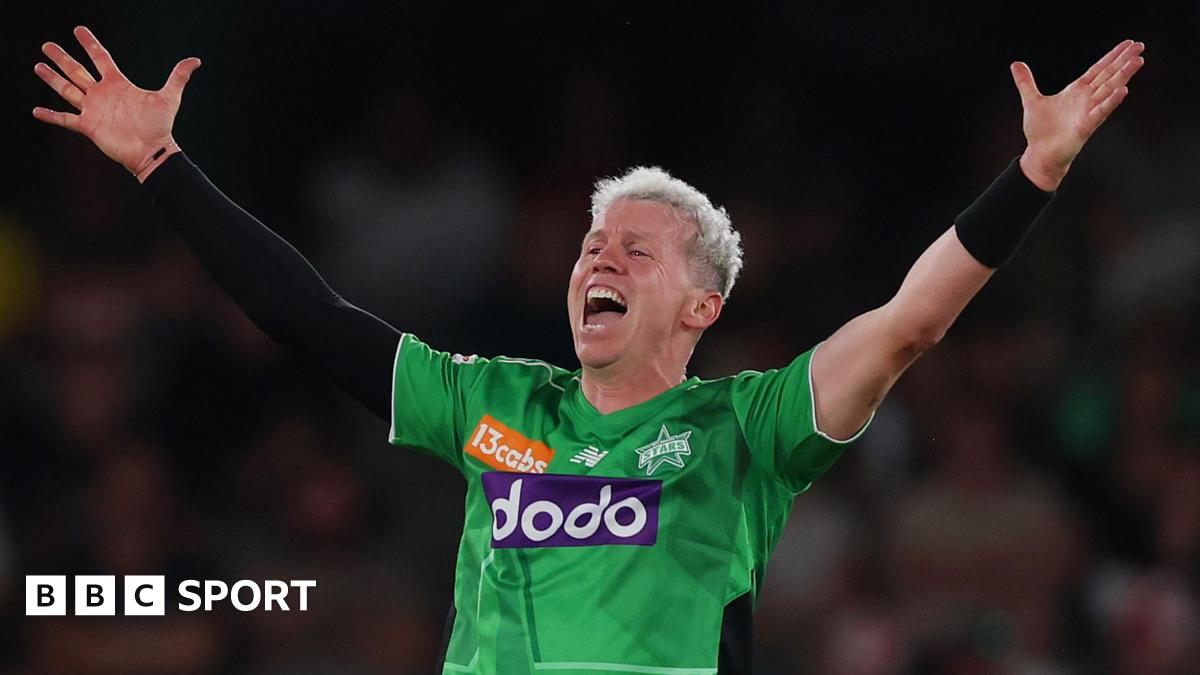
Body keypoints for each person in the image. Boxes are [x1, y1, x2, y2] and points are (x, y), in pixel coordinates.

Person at [32, 25, 1144, 674]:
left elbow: (910, 321)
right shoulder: (493, 404)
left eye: (636, 252)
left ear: (702, 307)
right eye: (590, 244)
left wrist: (1035, 173)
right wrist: (161, 166)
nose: (597, 260)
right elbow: (309, 316)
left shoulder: (745, 429)